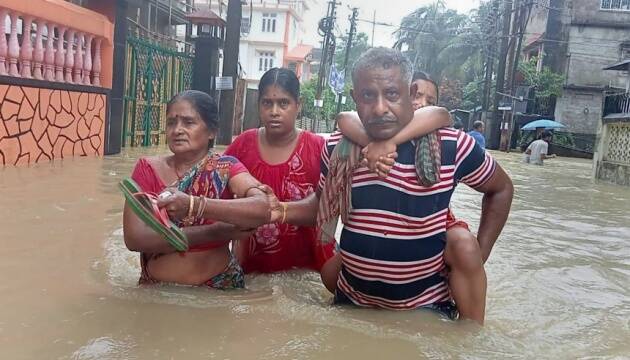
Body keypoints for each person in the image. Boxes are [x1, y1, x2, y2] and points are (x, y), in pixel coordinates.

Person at [285, 48, 513, 324]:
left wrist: (480, 255)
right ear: (355, 97)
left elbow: (501, 189)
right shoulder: (337, 148)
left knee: (464, 247)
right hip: (351, 302)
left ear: (410, 92)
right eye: (368, 96)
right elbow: (321, 205)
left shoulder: (452, 146)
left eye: (392, 94)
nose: (380, 108)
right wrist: (278, 210)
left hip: (424, 309)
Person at [335, 70, 491, 323]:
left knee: (463, 245)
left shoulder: (446, 141)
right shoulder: (360, 137)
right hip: (357, 291)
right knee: (332, 267)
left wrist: (480, 257)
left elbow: (440, 115)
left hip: (431, 237)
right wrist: (374, 144)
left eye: (430, 99)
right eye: (417, 95)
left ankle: (471, 325)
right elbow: (343, 117)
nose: (422, 103)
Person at [123, 90, 276, 289]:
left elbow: (263, 208)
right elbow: (135, 239)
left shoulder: (225, 167)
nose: (177, 130)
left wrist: (194, 205)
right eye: (171, 122)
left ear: (211, 131)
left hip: (220, 290)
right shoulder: (147, 168)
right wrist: (216, 232)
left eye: (188, 122)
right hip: (157, 291)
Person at [224, 68, 336, 274]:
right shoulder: (242, 145)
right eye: (267, 103)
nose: (274, 111)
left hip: (308, 268)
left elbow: (329, 207)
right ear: (259, 105)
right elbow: (217, 192)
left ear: (298, 105)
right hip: (251, 268)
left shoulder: (319, 148)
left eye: (283, 103)